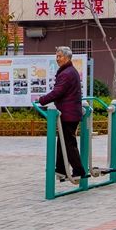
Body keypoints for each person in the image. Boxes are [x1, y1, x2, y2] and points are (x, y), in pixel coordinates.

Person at [38, 46, 86, 181]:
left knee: (68, 143)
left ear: (67, 57)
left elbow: (58, 91)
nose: (57, 59)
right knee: (63, 141)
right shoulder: (69, 71)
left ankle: (79, 170)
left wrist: (42, 100)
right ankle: (61, 169)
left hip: (68, 114)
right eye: (57, 56)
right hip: (69, 112)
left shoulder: (66, 73)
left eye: (60, 56)